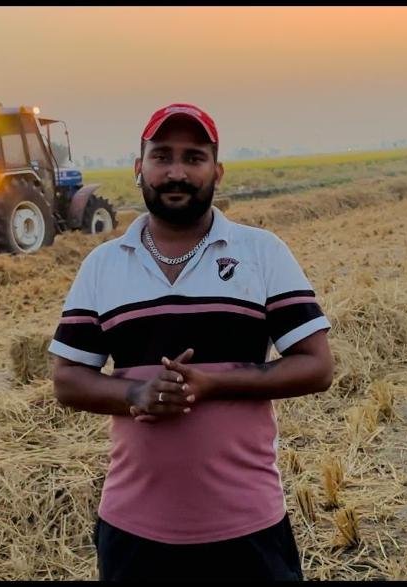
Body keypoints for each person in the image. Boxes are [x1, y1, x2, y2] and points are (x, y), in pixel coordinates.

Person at [48, 103, 335, 581]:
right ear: (139, 168)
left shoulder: (261, 253)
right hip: (133, 531)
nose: (177, 172)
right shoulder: (103, 265)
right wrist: (135, 393)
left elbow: (317, 365)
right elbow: (67, 380)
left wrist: (214, 384)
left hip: (248, 526)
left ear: (217, 171)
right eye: (162, 156)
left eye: (194, 158)